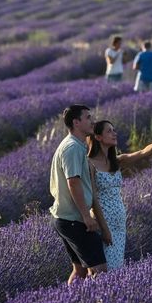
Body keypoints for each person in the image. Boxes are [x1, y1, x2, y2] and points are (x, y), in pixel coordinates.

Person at [87, 121, 152, 269]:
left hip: (119, 222)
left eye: (114, 130)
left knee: (116, 266)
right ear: (98, 137)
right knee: (101, 269)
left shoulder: (117, 161)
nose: (115, 134)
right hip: (102, 222)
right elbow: (92, 199)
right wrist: (104, 229)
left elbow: (143, 153)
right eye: (109, 131)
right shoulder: (90, 164)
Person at [49, 105, 109, 284]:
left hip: (67, 218)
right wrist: (86, 216)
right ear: (76, 122)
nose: (93, 121)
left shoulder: (76, 146)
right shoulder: (72, 148)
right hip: (74, 220)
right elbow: (73, 182)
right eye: (88, 118)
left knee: (80, 270)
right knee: (100, 270)